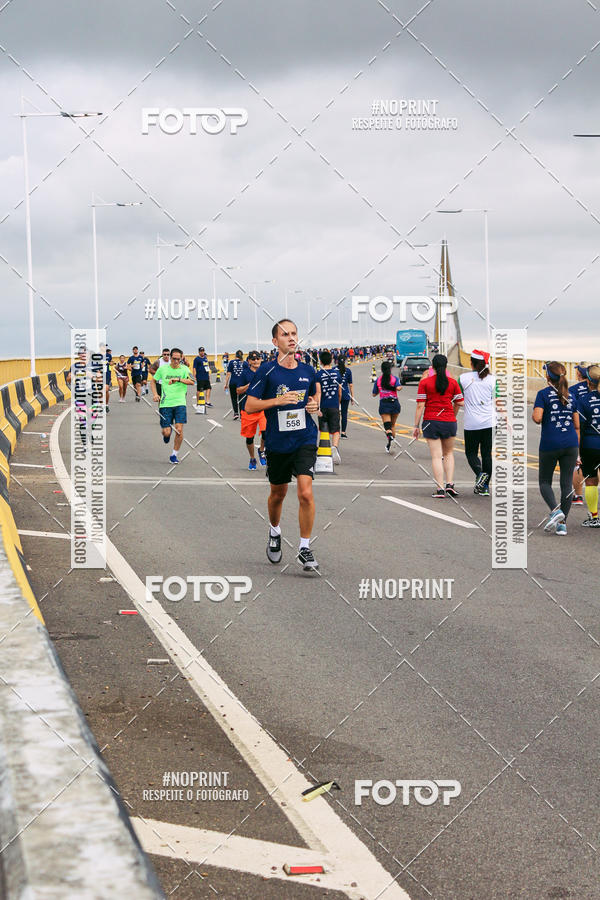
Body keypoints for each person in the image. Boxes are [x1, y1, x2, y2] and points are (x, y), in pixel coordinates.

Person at [245, 319, 320, 571]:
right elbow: (250, 405)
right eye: (285, 334)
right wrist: (276, 401)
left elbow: (314, 396)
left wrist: (314, 404)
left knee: (305, 492)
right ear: (275, 341)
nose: (291, 338)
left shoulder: (308, 370)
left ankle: (304, 548)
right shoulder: (266, 371)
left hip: (305, 438)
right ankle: (275, 531)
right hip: (278, 442)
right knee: (278, 494)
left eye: (294, 333)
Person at [533, 361, 580, 535]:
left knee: (544, 481)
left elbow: (537, 418)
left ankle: (555, 511)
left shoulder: (543, 394)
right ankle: (562, 525)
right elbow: (577, 425)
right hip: (570, 443)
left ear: (547, 376)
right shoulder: (571, 396)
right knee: (566, 483)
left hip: (550, 443)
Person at [413, 354, 463, 498]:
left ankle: (440, 489)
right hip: (449, 421)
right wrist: (452, 414)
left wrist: (416, 426)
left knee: (436, 456)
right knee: (448, 453)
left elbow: (420, 406)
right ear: (446, 366)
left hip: (431, 421)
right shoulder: (453, 383)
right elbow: (460, 402)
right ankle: (450, 484)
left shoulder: (425, 383)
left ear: (432, 367)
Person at [458, 349, 497, 495]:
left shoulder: (463, 378)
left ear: (471, 363)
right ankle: (485, 487)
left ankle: (480, 475)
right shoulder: (493, 380)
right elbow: (497, 401)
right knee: (487, 454)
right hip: (490, 422)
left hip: (472, 423)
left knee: (471, 453)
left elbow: (458, 399)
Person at [150, 348, 194, 465]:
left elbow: (192, 381)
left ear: (181, 358)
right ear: (170, 357)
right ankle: (166, 435)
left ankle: (174, 455)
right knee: (167, 432)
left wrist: (178, 379)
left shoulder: (185, 369)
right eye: (174, 359)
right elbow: (153, 381)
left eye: (178, 359)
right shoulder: (163, 369)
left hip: (180, 403)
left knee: (179, 430)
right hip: (165, 404)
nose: (176, 361)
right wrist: (155, 394)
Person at [574, 364, 600, 528]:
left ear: (588, 381)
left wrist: (576, 452)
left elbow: (579, 428)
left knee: (591, 481)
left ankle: (595, 517)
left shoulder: (583, 401)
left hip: (590, 446)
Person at [237, 351, 267, 469]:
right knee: (249, 437)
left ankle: (261, 450)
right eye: (253, 359)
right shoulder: (244, 373)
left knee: (266, 431)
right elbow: (238, 390)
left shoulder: (265, 372)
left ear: (261, 360)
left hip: (262, 408)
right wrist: (249, 386)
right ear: (249, 361)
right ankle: (252, 458)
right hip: (248, 410)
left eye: (258, 358)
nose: (256, 361)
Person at [315, 350, 342, 464]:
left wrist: (318, 407)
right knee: (336, 430)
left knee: (323, 428)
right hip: (334, 406)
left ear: (320, 362)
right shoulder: (337, 374)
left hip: (323, 406)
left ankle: (323, 449)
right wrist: (338, 403)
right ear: (331, 361)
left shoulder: (318, 375)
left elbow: (318, 392)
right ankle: (334, 447)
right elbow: (339, 392)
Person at [569, 364, 589, 506]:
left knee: (577, 463)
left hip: (579, 428)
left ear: (578, 375)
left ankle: (578, 495)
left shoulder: (573, 390)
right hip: (596, 428)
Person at [373, 360, 402, 453]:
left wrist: (381, 390)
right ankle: (390, 444)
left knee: (387, 427)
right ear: (390, 369)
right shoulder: (395, 379)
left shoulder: (378, 380)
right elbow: (399, 388)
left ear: (381, 369)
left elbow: (374, 394)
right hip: (395, 404)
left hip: (384, 404)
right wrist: (394, 388)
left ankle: (391, 440)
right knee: (392, 425)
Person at [224, 350, 245, 420]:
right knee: (241, 399)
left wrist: (226, 384)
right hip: (242, 383)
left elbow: (228, 374)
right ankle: (242, 414)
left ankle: (236, 413)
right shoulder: (245, 363)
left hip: (233, 383)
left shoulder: (231, 362)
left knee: (234, 398)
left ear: (235, 355)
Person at [337, 356, 354, 439]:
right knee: (344, 414)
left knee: (336, 414)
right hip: (345, 394)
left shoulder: (334, 370)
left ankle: (336, 432)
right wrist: (352, 397)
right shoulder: (348, 371)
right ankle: (343, 432)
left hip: (335, 395)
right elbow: (351, 385)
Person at [104, 346, 113, 413]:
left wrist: (111, 363)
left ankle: (106, 405)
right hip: (99, 375)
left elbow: (110, 363)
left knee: (106, 390)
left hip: (107, 374)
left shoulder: (108, 355)